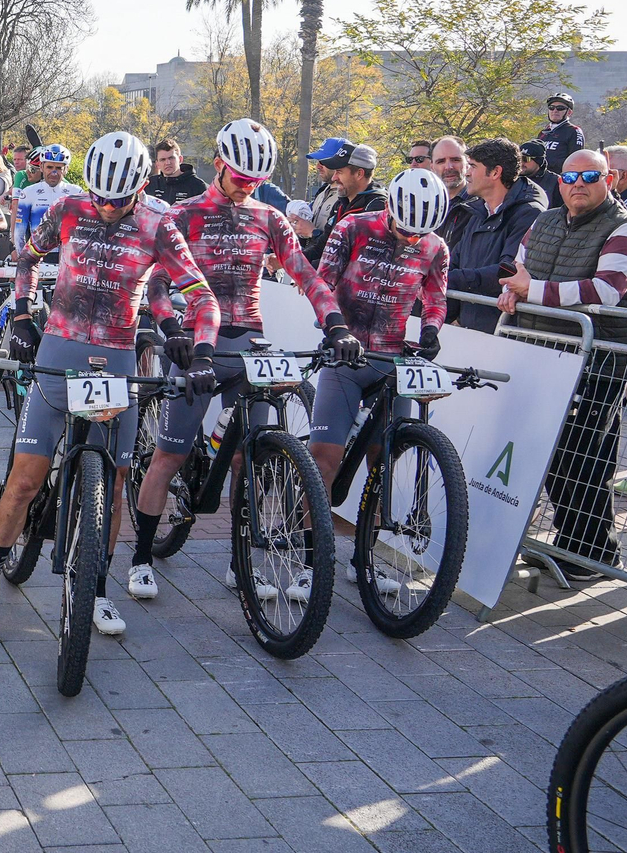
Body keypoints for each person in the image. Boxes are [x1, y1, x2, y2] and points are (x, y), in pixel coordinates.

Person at [0, 132, 219, 644]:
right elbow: (26, 258)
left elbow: (202, 295)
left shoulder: (157, 223)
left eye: (117, 200)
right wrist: (20, 313)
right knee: (25, 480)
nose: (105, 209)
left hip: (117, 358)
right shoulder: (68, 208)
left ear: (141, 186)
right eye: (99, 198)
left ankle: (99, 590)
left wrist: (202, 349)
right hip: (60, 349)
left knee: (116, 482)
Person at [136, 121, 349, 603]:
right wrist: (170, 329)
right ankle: (142, 558)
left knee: (243, 459)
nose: (246, 188)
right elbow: (156, 283)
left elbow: (308, 276)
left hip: (249, 344)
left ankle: (238, 560)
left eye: (256, 182)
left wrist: (334, 322)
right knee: (169, 456)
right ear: (218, 165)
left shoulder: (269, 218)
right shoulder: (185, 213)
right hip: (194, 344)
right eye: (239, 178)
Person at [497, 147, 627, 580]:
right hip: (540, 355)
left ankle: (597, 553)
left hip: (597, 364)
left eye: (588, 176)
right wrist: (512, 290)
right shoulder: (544, 220)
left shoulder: (626, 229)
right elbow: (519, 270)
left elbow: (606, 291)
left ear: (612, 178)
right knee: (554, 454)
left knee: (587, 458)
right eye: (568, 178)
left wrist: (532, 290)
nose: (577, 184)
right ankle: (570, 543)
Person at [310, 170, 452, 516]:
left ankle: (365, 561)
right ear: (389, 207)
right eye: (405, 230)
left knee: (383, 463)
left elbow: (435, 299)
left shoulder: (435, 247)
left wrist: (431, 330)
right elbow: (322, 285)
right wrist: (336, 329)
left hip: (391, 361)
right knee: (324, 459)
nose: (411, 240)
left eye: (419, 234)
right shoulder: (353, 228)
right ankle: (312, 556)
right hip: (345, 357)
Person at [444, 137, 548, 334]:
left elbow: (508, 270)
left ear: (495, 172)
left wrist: (451, 280)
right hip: (469, 329)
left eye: (473, 167)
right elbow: (455, 260)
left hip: (504, 333)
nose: (466, 173)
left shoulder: (529, 213)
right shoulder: (477, 211)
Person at [296, 143, 383, 264]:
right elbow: (322, 248)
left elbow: (355, 260)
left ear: (359, 174)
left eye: (339, 172)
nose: (334, 178)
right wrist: (287, 259)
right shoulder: (341, 203)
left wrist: (310, 275)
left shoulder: (378, 207)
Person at [9, 144, 82, 256]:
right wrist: (23, 257)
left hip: (67, 256)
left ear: (66, 169)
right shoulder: (28, 192)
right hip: (37, 256)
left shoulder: (76, 193)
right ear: (42, 167)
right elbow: (20, 231)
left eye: (58, 168)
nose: (53, 172)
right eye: (49, 167)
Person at [538, 92, 585, 207]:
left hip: (560, 184)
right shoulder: (543, 133)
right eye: (551, 107)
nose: (555, 111)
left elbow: (575, 162)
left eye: (560, 108)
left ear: (569, 112)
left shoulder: (574, 131)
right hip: (541, 182)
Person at [145, 138, 207, 206]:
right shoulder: (150, 185)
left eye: (171, 158)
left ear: (180, 159)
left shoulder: (197, 186)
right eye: (163, 159)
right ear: (157, 164)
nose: (167, 163)